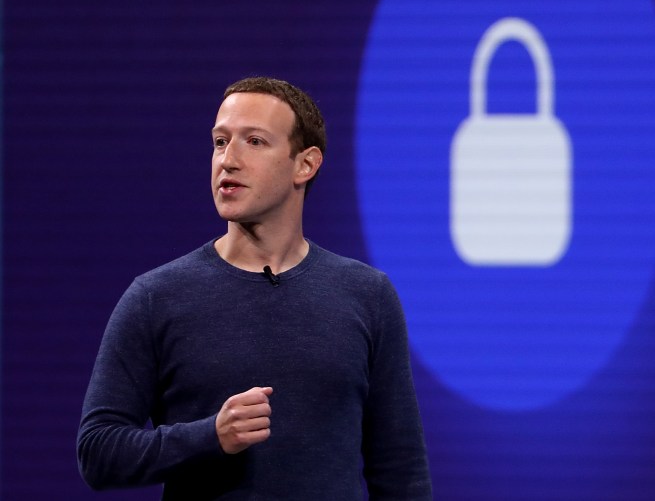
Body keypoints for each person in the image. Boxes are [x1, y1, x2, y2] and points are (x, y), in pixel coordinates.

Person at [77, 77, 432, 500]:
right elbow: (98, 451)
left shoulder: (367, 295)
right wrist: (211, 436)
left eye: (255, 141)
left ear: (306, 164)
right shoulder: (157, 297)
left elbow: (400, 472)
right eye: (220, 141)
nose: (228, 160)